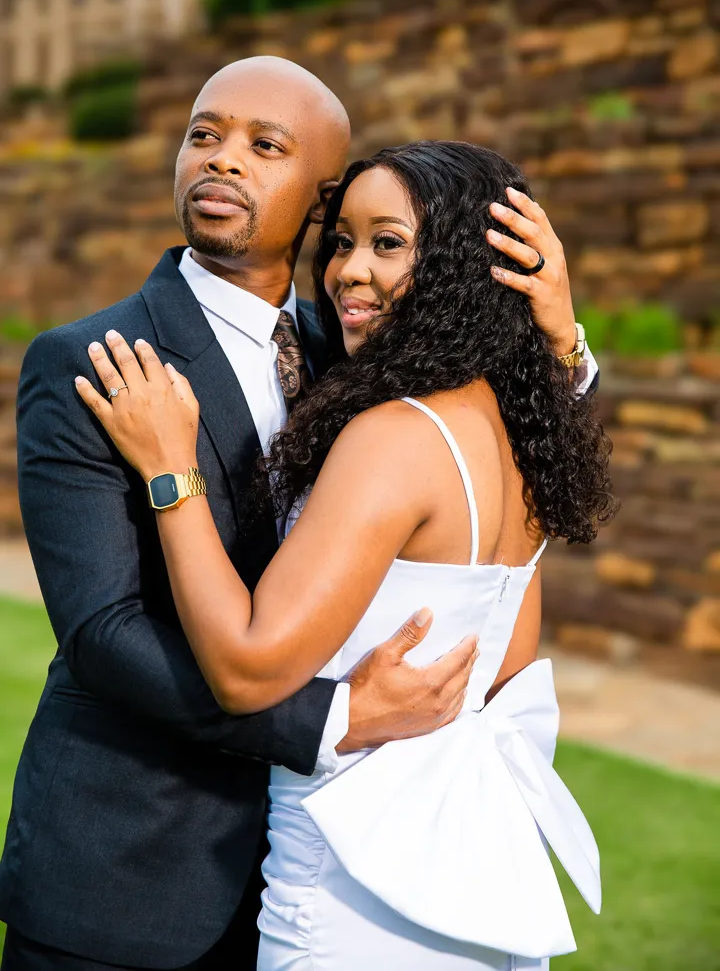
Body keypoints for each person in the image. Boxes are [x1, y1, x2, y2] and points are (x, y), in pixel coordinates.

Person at [73, 138, 613, 970]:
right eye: (342, 242)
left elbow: (247, 668)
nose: (348, 272)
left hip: (349, 889)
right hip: (461, 862)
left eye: (388, 243)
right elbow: (502, 661)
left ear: (466, 268)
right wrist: (564, 339)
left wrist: (171, 469)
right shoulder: (516, 430)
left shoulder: (397, 436)